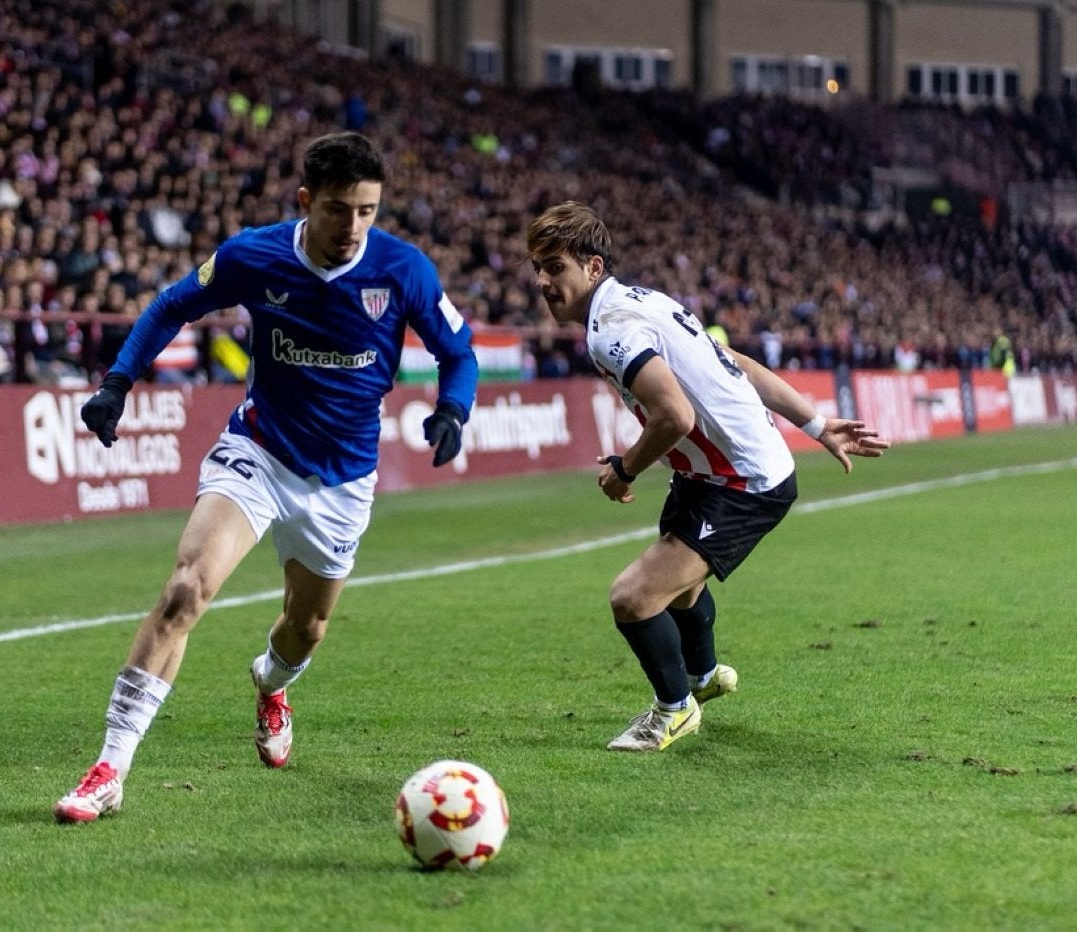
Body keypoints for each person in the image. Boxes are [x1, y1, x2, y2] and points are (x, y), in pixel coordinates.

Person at [54, 132, 479, 823]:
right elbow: (170, 305)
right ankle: (110, 767)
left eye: (368, 210)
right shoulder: (256, 254)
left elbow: (457, 352)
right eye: (340, 209)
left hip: (342, 481)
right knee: (184, 592)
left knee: (306, 629)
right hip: (259, 452)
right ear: (307, 201)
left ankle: (271, 684)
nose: (354, 228)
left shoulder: (404, 271)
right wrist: (117, 382)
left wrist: (453, 412)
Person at [524, 201, 889, 752]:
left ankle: (673, 710)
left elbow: (676, 416)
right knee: (680, 587)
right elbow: (732, 362)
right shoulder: (645, 300)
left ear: (593, 268)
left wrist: (624, 470)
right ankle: (702, 676)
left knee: (633, 597)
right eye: (538, 268)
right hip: (708, 473)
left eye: (556, 267)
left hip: (743, 481)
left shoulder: (612, 329)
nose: (544, 281)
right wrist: (815, 424)